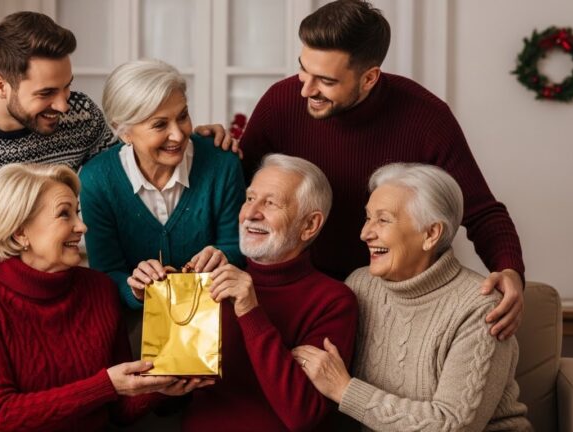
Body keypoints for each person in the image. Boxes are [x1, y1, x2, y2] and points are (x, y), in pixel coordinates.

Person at [0, 12, 232, 393]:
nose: (63, 105)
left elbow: (125, 165)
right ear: (0, 85)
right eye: (45, 94)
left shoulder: (81, 117)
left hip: (29, 300)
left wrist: (194, 142)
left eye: (66, 87)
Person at [238, 0, 525, 340]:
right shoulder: (280, 102)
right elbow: (236, 189)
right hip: (303, 293)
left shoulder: (426, 117)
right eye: (303, 69)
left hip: (392, 297)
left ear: (369, 77)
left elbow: (480, 211)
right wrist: (209, 149)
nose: (306, 89)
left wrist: (509, 269)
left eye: (326, 80)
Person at [0, 163, 208, 431]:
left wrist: (162, 386)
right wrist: (104, 385)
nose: (82, 226)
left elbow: (119, 410)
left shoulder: (100, 290)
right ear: (20, 232)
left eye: (77, 213)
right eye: (64, 215)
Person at [293, 163, 531, 432]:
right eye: (368, 217)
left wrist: (345, 390)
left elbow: (453, 426)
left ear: (430, 234)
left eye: (383, 220)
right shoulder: (359, 285)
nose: (365, 233)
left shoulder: (480, 307)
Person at [156, 154, 357, 431]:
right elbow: (167, 404)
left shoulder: (333, 300)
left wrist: (250, 311)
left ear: (309, 225)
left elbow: (303, 414)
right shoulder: (211, 282)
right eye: (250, 199)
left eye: (271, 203)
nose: (250, 213)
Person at [80, 59, 246, 310]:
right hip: (135, 323)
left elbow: (238, 246)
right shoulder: (97, 180)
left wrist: (223, 255)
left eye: (183, 116)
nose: (178, 135)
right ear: (122, 130)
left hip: (212, 320)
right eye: (159, 124)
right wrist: (134, 288)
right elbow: (107, 273)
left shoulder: (222, 164)